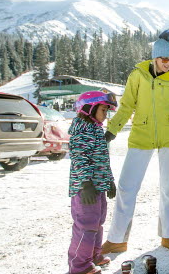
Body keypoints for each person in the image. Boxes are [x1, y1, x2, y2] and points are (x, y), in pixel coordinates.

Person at [100, 29, 169, 254]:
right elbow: (126, 105)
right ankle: (117, 239)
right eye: (164, 59)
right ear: (155, 57)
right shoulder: (138, 75)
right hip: (142, 135)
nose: (168, 63)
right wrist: (112, 130)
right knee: (127, 187)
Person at [67, 91, 118, 274]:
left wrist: (109, 181)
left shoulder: (96, 128)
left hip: (98, 186)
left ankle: (93, 256)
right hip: (85, 188)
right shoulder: (82, 128)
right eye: (103, 110)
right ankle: (80, 266)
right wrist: (85, 184)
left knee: (97, 223)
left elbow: (102, 159)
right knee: (86, 226)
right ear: (89, 108)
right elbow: (80, 158)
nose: (106, 114)